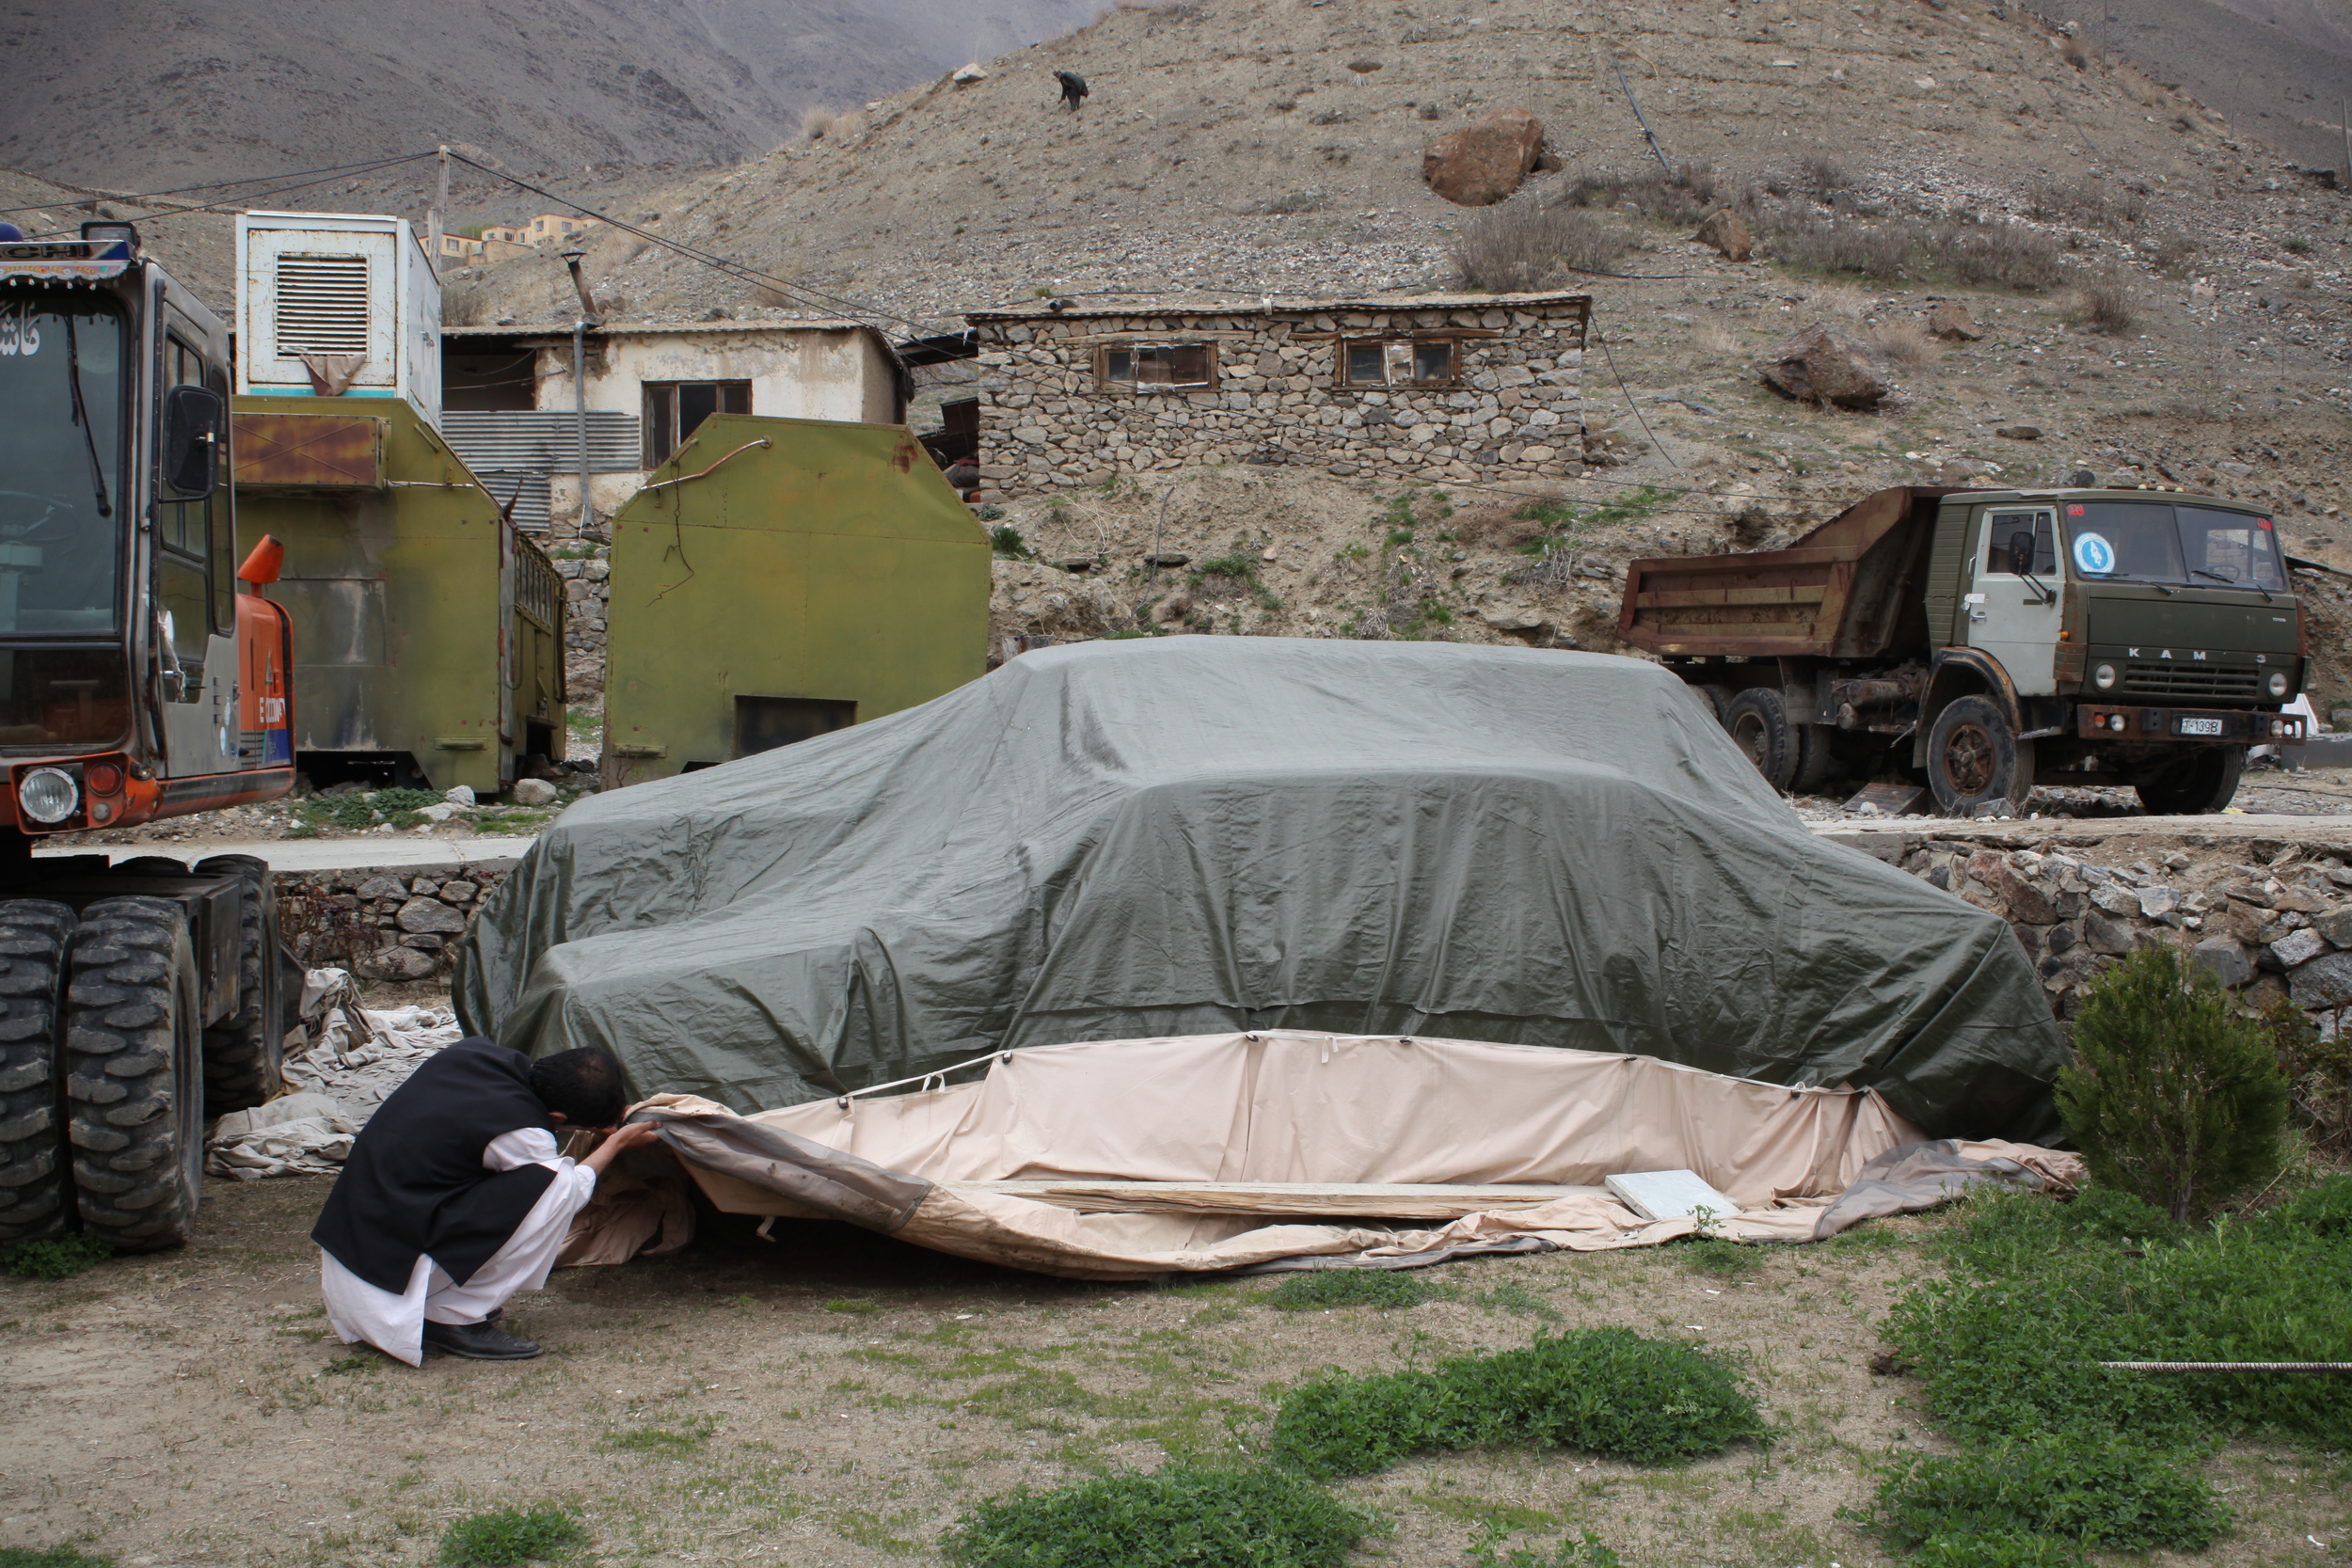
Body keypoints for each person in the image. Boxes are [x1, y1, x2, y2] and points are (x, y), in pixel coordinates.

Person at [311, 1039, 663, 1363]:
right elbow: (565, 1186)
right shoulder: (523, 1133)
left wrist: (596, 1122)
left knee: (541, 1183)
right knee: (556, 1188)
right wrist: (613, 1145)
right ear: (559, 1120)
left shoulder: (477, 1054)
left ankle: (442, 1301)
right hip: (388, 1268)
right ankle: (451, 1318)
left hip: (358, 1230)